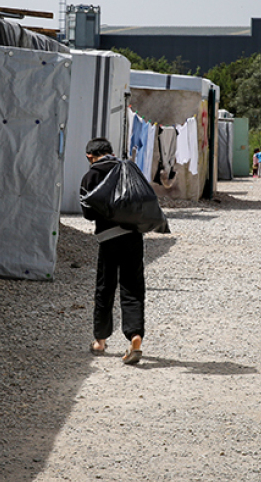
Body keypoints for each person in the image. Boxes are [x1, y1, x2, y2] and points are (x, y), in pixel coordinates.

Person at [80, 138, 145, 365]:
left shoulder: (91, 176)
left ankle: (100, 340)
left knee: (105, 287)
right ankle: (135, 337)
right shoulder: (128, 169)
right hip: (133, 236)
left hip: (109, 239)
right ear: (111, 152)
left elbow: (88, 213)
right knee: (133, 288)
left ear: (89, 156)